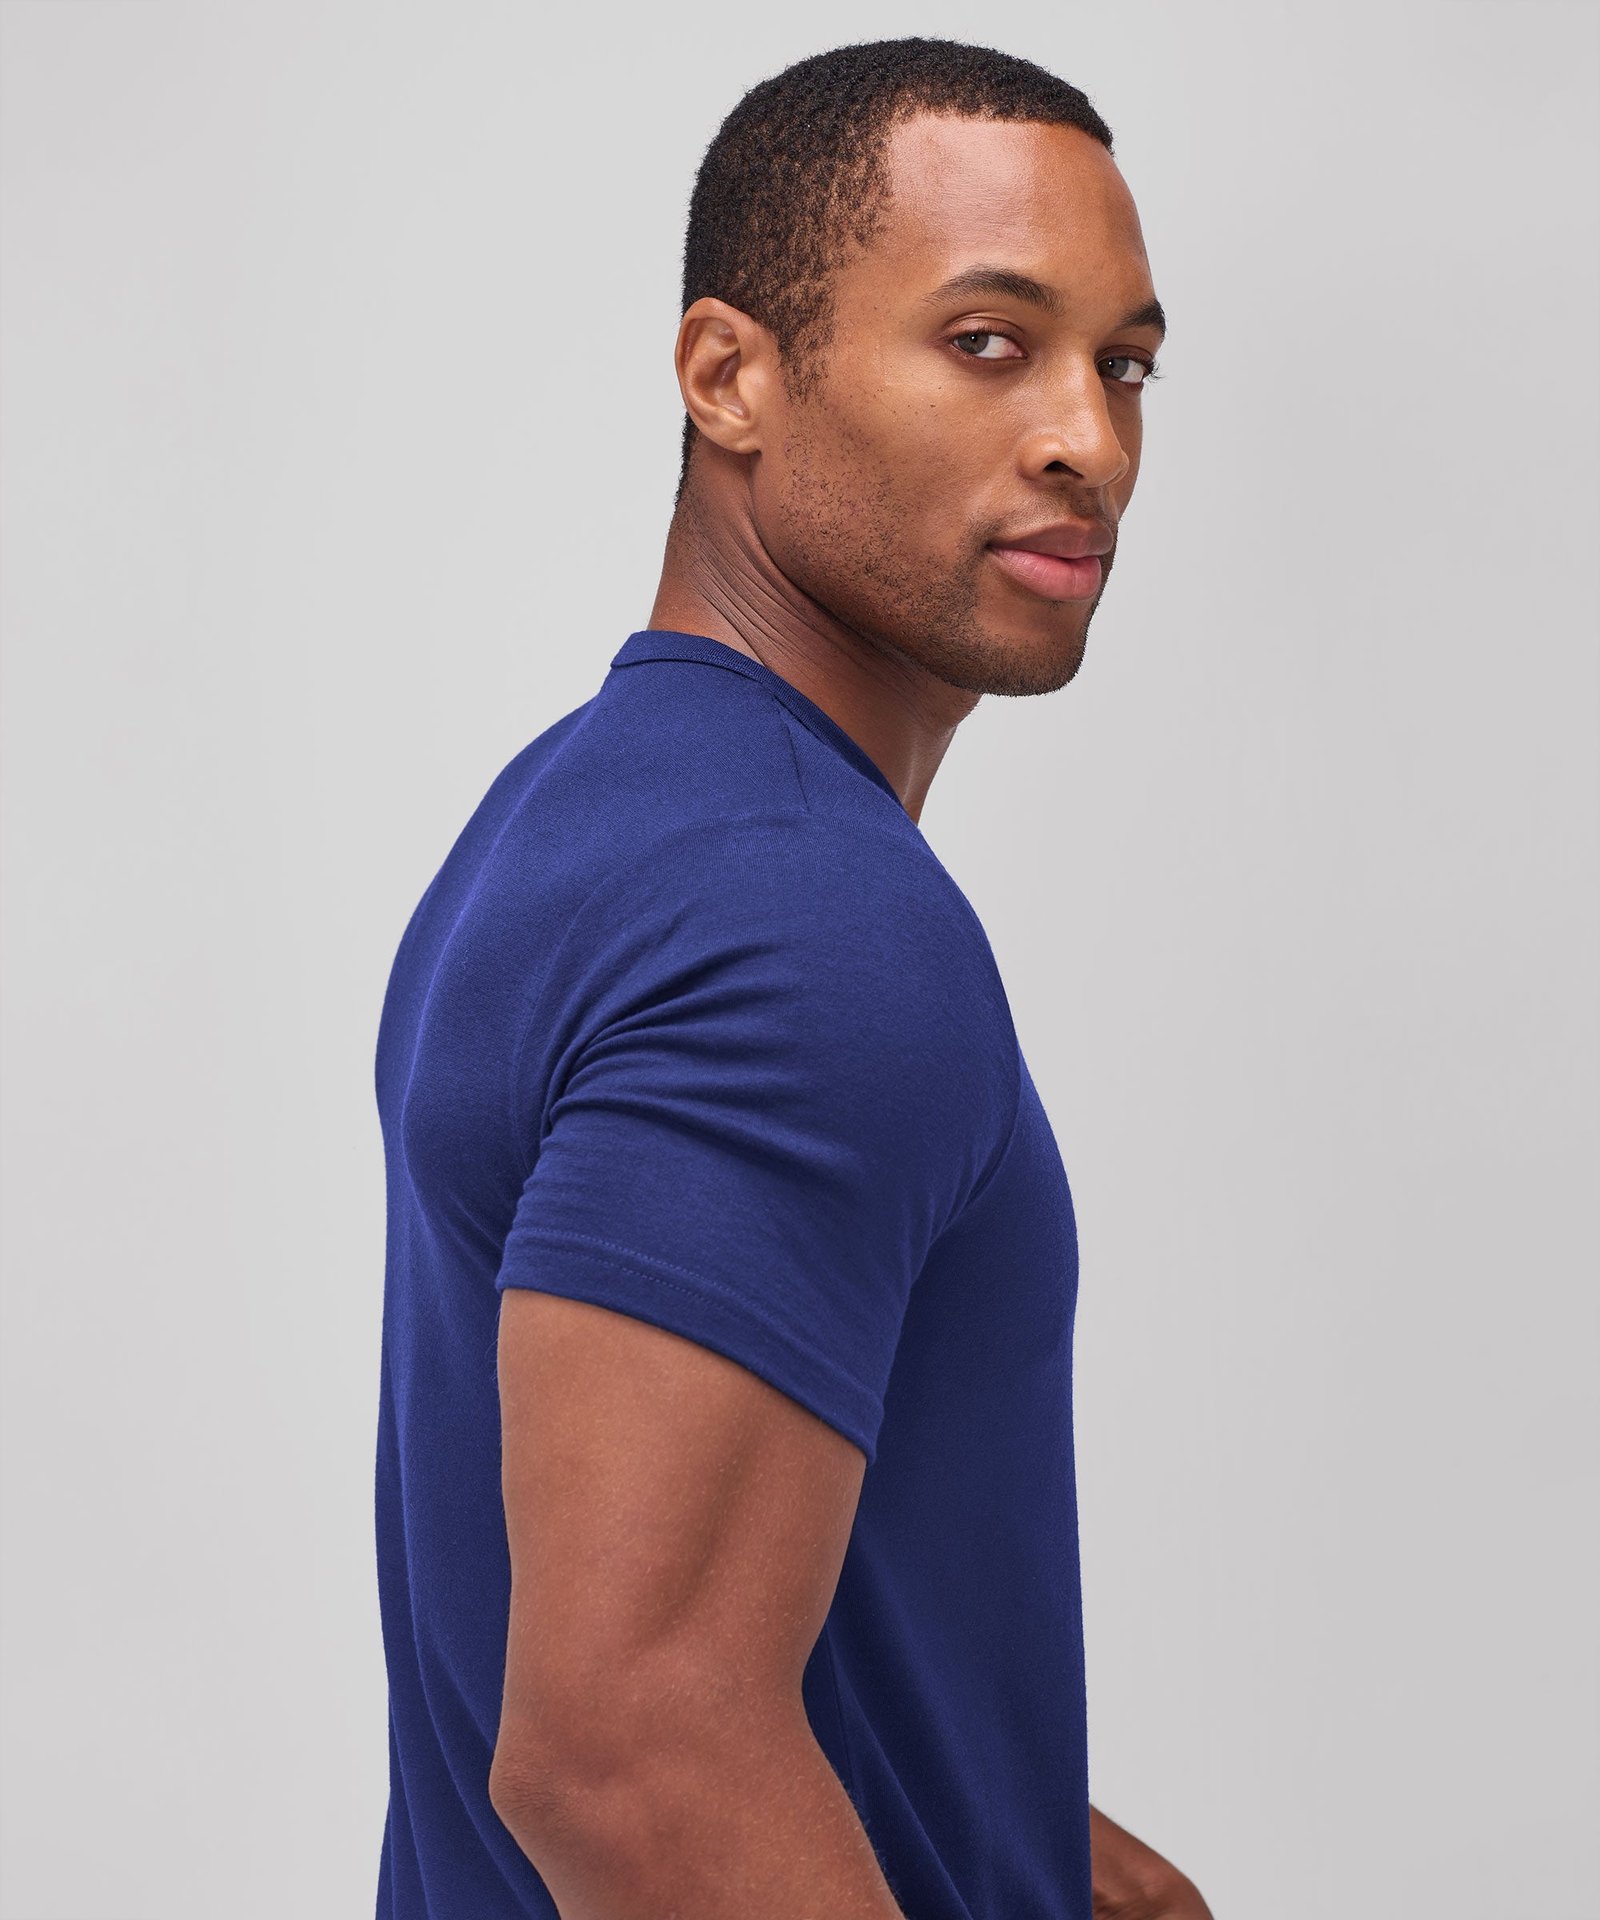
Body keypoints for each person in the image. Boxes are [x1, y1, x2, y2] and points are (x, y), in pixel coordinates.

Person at [372, 35, 1214, 1920]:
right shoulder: (810, 922)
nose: (1088, 438)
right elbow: (629, 1756)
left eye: (1125, 364)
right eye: (989, 341)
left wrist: (1003, 1833)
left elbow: (622, 1593)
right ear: (727, 376)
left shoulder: (586, 812)